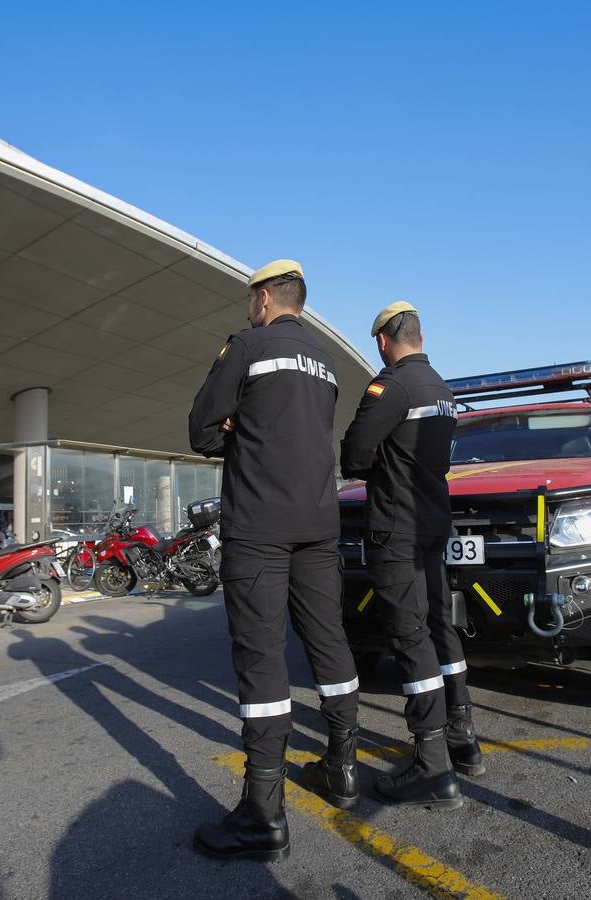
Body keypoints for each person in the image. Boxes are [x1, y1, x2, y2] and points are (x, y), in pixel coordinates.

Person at [187, 259, 360, 862]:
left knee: (262, 659)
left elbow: (202, 430)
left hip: (259, 525)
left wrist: (240, 428)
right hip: (318, 524)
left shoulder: (247, 345)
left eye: (249, 299)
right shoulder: (324, 361)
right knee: (329, 642)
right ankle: (342, 767)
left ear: (263, 298)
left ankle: (262, 815)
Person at [339, 300, 475, 810]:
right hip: (433, 521)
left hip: (395, 525)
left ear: (382, 340)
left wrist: (379, 464)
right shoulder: (442, 389)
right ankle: (463, 736)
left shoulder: (390, 385)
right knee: (441, 626)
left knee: (409, 634)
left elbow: (353, 454)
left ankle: (432, 764)